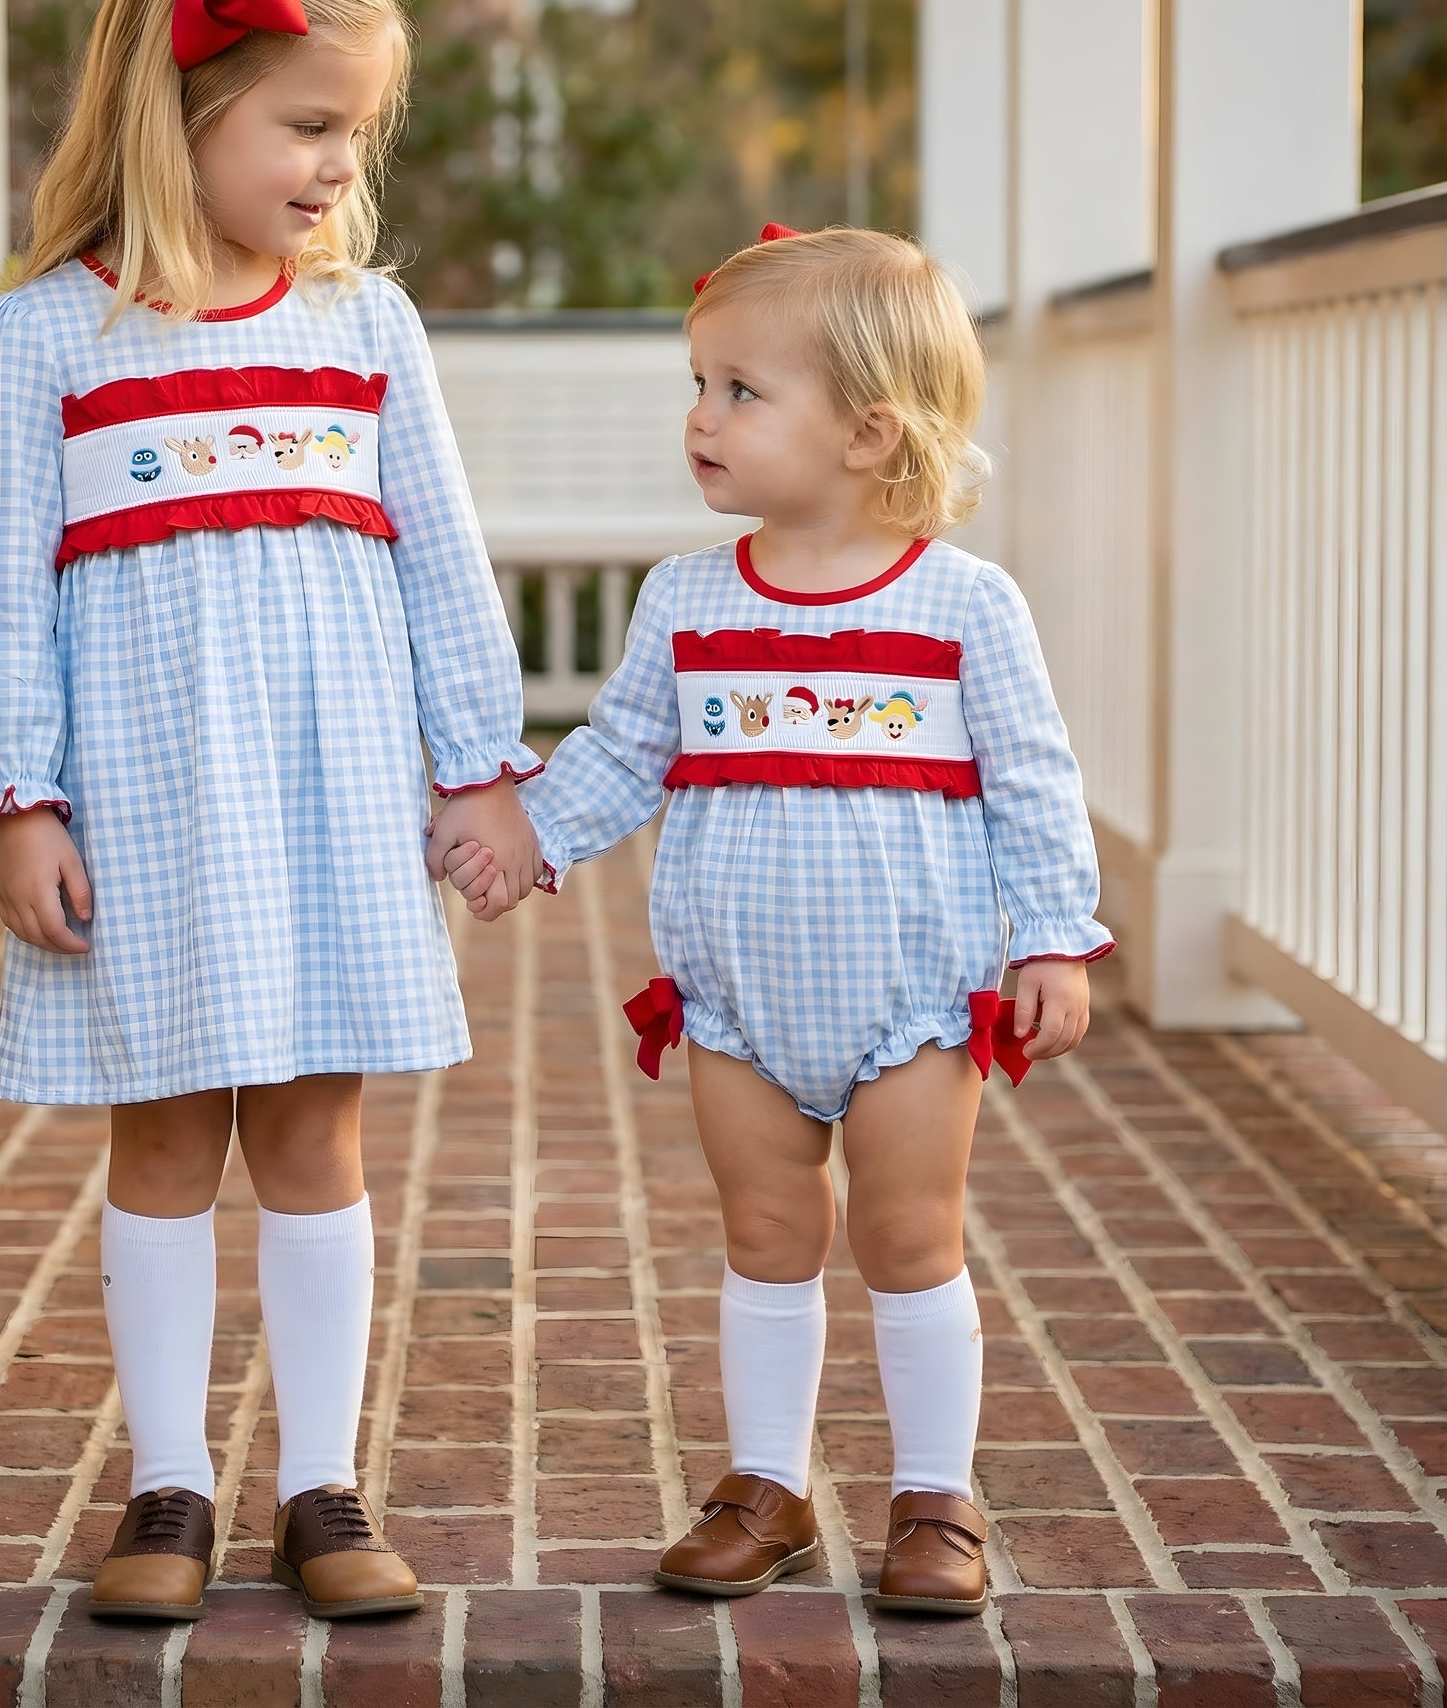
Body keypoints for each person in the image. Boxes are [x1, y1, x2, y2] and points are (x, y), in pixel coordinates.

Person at [0, 0, 542, 1623]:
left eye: (353, 132)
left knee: (313, 1139)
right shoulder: (45, 342)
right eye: (305, 124)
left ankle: (322, 1483)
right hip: (142, 810)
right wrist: (20, 804)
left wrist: (477, 766)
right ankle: (170, 1487)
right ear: (175, 109)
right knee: (160, 1144)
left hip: (332, 801)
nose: (338, 166)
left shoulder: (366, 331)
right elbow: (1, 592)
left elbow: (441, 566)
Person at [440, 225, 1111, 1614]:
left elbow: (1033, 777)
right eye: (699, 384)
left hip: (912, 1000)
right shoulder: (686, 603)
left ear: (868, 432)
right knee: (762, 1230)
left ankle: (933, 1493)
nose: (700, 417)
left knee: (908, 1235)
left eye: (741, 391)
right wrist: (526, 835)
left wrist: (1050, 933)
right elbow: (622, 755)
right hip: (735, 996)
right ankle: (767, 1485)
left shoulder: (961, 607)